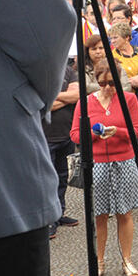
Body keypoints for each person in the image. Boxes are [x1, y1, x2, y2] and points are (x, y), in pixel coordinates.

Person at [70, 61, 138, 276]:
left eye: (112, 83)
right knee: (99, 216)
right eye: (102, 83)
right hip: (97, 163)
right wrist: (94, 134)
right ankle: (98, 261)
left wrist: (117, 132)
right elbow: (74, 135)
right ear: (96, 80)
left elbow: (137, 131)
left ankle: (127, 260)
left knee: (125, 213)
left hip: (124, 160)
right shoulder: (85, 103)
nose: (107, 87)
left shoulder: (128, 99)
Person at [44, 62, 80, 239]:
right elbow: (42, 105)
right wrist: (66, 98)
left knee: (63, 176)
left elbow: (77, 95)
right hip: (45, 137)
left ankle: (60, 213)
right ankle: (49, 219)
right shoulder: (37, 72)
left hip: (66, 135)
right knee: (47, 181)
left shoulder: (67, 70)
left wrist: (52, 97)